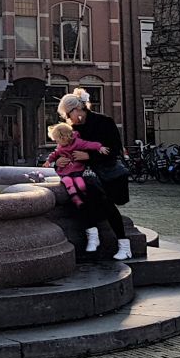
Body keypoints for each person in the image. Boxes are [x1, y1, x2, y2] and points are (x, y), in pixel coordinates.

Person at [58, 92, 132, 260]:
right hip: (86, 175)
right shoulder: (73, 128)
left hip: (107, 173)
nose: (68, 119)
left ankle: (124, 244)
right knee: (78, 197)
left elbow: (115, 150)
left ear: (78, 109)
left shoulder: (104, 122)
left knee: (107, 204)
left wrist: (90, 156)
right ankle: (93, 234)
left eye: (68, 114)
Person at [43, 122, 109, 253]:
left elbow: (110, 152)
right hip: (75, 174)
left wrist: (89, 156)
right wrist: (56, 163)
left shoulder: (94, 129)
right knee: (79, 201)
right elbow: (58, 154)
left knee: (86, 196)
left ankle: (95, 233)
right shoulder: (66, 139)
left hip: (91, 176)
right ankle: (92, 232)